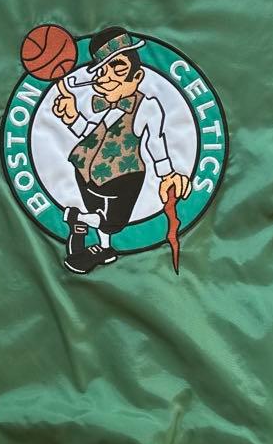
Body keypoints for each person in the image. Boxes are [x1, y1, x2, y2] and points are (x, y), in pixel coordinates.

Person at [52, 26, 191, 274]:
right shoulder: (109, 108)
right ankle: (92, 234)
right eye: (102, 71)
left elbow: (155, 141)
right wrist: (72, 117)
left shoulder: (147, 106)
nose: (107, 78)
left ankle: (83, 224)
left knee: (112, 222)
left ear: (137, 76)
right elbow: (91, 133)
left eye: (118, 69)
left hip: (120, 175)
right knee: (106, 219)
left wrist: (168, 173)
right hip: (87, 171)